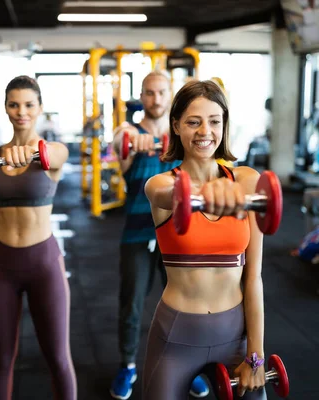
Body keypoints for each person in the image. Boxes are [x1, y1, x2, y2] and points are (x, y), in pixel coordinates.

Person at [143, 79, 267, 399]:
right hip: (176, 335)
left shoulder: (246, 181)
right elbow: (168, 195)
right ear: (177, 126)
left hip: (235, 336)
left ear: (224, 125)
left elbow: (253, 278)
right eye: (193, 122)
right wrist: (204, 192)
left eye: (214, 121)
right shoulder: (159, 184)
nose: (205, 132)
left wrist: (255, 355)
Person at [0, 75, 75, 400]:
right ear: (5, 108)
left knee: (57, 358)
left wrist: (31, 151)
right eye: (14, 104)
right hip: (1, 265)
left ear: (40, 108)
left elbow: (55, 154)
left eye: (29, 104)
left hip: (44, 263)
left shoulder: (52, 152)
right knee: (1, 359)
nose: (21, 111)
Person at [109, 71, 209, 399]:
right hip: (137, 233)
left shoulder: (183, 133)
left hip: (177, 233)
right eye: (149, 93)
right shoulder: (129, 132)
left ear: (170, 95)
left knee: (183, 305)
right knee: (132, 305)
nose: (155, 99)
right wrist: (129, 143)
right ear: (142, 95)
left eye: (161, 92)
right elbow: (117, 149)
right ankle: (127, 365)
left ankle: (188, 365)